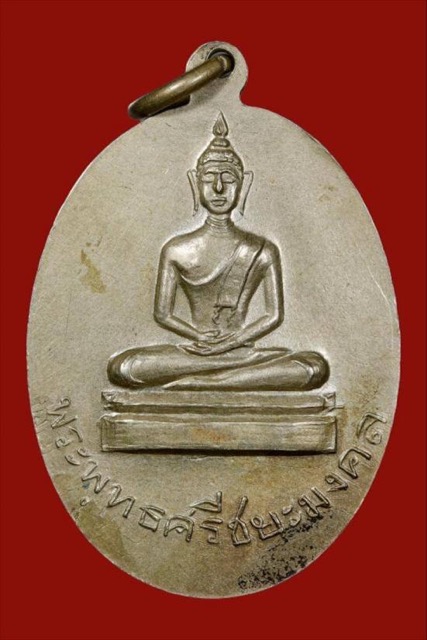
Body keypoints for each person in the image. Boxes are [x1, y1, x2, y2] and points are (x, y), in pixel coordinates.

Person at [108, 113, 329, 391]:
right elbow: (163, 314)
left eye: (229, 179)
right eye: (209, 178)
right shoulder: (176, 249)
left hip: (241, 350)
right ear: (195, 182)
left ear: (243, 184)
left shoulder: (263, 250)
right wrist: (199, 337)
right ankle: (225, 377)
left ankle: (201, 381)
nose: (219, 188)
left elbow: (273, 316)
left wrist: (232, 342)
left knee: (314, 367)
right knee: (125, 367)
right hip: (195, 352)